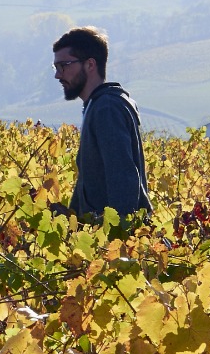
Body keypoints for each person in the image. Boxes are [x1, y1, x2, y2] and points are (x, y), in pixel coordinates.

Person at [52, 25, 150, 225]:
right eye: (56, 67)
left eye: (64, 66)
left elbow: (122, 178)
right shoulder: (97, 106)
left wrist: (118, 232)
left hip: (114, 237)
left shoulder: (107, 109)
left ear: (90, 64)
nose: (58, 75)